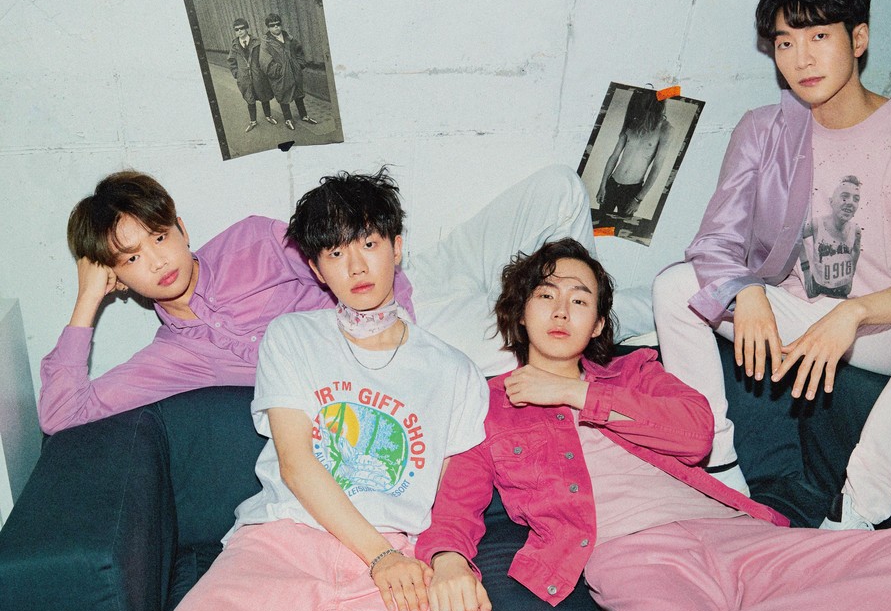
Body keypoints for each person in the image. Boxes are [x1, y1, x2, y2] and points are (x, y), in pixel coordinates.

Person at [416, 238, 891, 611]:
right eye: (546, 295)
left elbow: (695, 433)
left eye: (579, 299)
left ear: (597, 325)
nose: (562, 311)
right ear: (520, 313)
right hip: (637, 561)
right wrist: (446, 560)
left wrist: (579, 394)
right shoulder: (487, 407)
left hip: (742, 535)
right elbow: (456, 504)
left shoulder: (637, 371)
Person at [119, 169, 539, 611]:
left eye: (369, 244)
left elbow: (458, 490)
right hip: (284, 540)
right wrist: (380, 556)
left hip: (397, 553)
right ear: (317, 269)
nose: (357, 266)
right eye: (336, 253)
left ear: (397, 247)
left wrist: (447, 559)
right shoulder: (292, 336)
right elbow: (297, 465)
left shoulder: (453, 371)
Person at [652, 0, 891, 528]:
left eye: (819, 37)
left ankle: (857, 509)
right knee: (675, 286)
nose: (800, 59)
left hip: (875, 328)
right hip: (792, 310)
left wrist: (854, 312)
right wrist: (747, 291)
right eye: (785, 42)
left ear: (859, 39)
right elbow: (716, 240)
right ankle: (717, 467)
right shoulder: (763, 130)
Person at [39, 164, 651, 434]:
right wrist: (85, 302)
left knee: (558, 187)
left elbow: (346, 258)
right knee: (545, 338)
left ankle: (595, 300)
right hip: (421, 333)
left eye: (158, 236)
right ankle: (641, 315)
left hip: (420, 274)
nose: (158, 261)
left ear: (179, 226)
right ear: (118, 277)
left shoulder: (250, 239)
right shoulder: (173, 358)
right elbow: (63, 414)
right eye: (130, 258)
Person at [594, 90, 671, 225]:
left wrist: (638, 199)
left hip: (632, 191)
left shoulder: (666, 129)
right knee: (601, 226)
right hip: (612, 184)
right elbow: (614, 156)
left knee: (618, 229)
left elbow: (656, 168)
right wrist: (603, 185)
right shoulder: (632, 122)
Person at [800, 175, 863, 298]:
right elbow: (796, 238)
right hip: (818, 286)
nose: (850, 203)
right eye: (844, 197)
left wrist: (851, 276)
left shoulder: (855, 230)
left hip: (842, 290)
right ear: (831, 201)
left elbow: (856, 251)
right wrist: (806, 270)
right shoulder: (817, 224)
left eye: (856, 199)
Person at [259, 12, 319, 131]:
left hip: (295, 72)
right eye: (272, 25)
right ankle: (288, 119)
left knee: (299, 94)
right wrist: (278, 71)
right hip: (280, 76)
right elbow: (264, 61)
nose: (276, 27)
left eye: (278, 24)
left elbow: (299, 51)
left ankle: (304, 115)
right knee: (283, 96)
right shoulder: (266, 43)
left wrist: (299, 64)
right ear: (268, 27)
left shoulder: (289, 38)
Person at [226, 17, 277, 133]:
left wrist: (262, 71)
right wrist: (237, 74)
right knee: (250, 98)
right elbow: (231, 61)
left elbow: (263, 57)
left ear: (247, 28)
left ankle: (268, 116)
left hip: (258, 76)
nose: (239, 31)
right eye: (236, 30)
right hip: (244, 78)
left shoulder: (256, 42)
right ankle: (253, 121)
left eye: (242, 28)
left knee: (264, 96)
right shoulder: (234, 46)